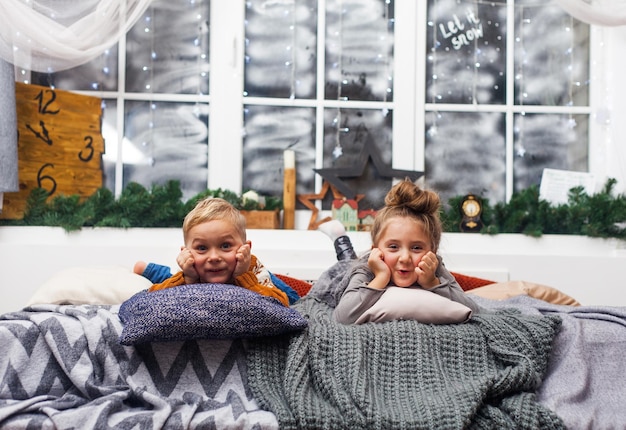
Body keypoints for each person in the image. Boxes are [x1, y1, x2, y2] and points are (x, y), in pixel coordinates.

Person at [333, 179, 481, 324]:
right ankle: (339, 238)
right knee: (347, 262)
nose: (404, 258)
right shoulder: (367, 267)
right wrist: (380, 278)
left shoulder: (434, 268)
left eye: (416, 248)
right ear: (376, 250)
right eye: (393, 247)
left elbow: (474, 311)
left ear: (433, 252)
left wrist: (432, 283)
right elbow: (342, 317)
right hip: (348, 269)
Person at [135, 197, 290, 307]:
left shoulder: (251, 267)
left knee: (293, 294)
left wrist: (242, 276)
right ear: (186, 252)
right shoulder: (190, 267)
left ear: (246, 248)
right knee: (168, 276)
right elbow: (151, 300)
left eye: (225, 246)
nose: (214, 257)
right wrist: (189, 278)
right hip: (190, 273)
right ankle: (148, 269)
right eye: (202, 248)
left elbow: (282, 305)